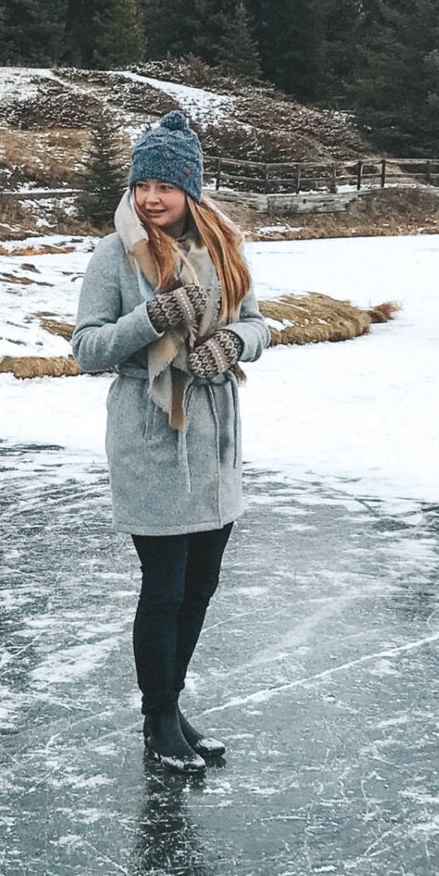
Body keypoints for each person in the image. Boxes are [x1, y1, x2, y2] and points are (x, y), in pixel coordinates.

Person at [71, 110, 270, 774]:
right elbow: (87, 349)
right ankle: (158, 722)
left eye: (166, 184)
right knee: (165, 583)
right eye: (142, 183)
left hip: (214, 440)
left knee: (201, 583)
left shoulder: (223, 249)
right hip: (151, 433)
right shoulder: (114, 253)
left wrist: (232, 344)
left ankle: (173, 707)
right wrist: (149, 317)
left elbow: (261, 327)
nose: (151, 197)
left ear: (193, 190)